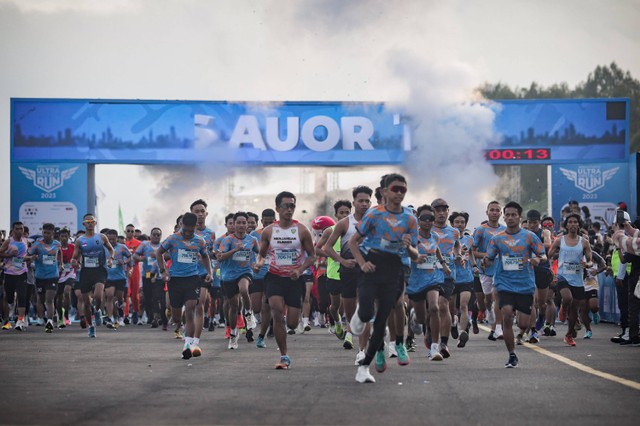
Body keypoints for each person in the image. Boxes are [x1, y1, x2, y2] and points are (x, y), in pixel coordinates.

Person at [348, 174, 418, 383]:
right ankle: (359, 317)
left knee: (381, 322)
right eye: (395, 189)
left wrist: (408, 247)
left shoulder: (410, 219)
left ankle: (364, 368)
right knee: (368, 310)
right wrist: (362, 263)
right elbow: (353, 242)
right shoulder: (374, 215)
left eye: (403, 190)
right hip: (371, 265)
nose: (399, 193)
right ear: (384, 191)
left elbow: (415, 255)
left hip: (393, 269)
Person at [255, 191, 316, 369]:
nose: (289, 209)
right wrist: (258, 264)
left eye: (292, 206)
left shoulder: (301, 230)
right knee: (276, 312)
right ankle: (284, 356)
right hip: (274, 277)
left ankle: (289, 326)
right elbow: (261, 255)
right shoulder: (269, 231)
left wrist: (300, 270)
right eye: (285, 206)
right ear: (277, 208)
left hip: (294, 280)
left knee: (291, 323)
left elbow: (312, 257)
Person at [482, 201, 546, 368]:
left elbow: (543, 255)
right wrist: (485, 263)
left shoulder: (529, 236)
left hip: (525, 284)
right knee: (507, 315)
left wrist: (537, 259)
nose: (510, 218)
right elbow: (489, 259)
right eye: (508, 215)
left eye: (513, 215)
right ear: (504, 216)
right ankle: (511, 354)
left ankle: (522, 332)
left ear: (519, 217)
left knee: (523, 323)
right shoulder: (497, 239)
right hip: (504, 283)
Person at [324, 186, 373, 360]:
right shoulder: (345, 223)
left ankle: (362, 351)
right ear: (354, 203)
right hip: (348, 272)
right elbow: (327, 247)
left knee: (365, 311)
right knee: (353, 315)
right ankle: (350, 332)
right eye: (361, 201)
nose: (364, 204)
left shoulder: (376, 221)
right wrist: (342, 261)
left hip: (368, 272)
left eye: (367, 200)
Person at [156, 212, 213, 359]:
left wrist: (209, 272)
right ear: (181, 225)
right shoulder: (173, 238)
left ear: (195, 226)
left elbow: (206, 256)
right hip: (175, 279)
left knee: (190, 310)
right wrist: (163, 271)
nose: (188, 233)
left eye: (191, 230)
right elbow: (159, 252)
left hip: (192, 279)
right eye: (185, 229)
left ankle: (188, 344)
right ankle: (179, 325)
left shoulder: (199, 241)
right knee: (176, 317)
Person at [407, 205, 451, 361]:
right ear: (418, 220)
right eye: (424, 218)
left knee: (434, 307)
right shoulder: (412, 237)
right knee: (421, 318)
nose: (428, 222)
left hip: (433, 277)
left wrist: (443, 264)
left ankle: (434, 348)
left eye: (431, 219)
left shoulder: (435, 236)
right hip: (415, 280)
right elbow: (405, 251)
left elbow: (437, 250)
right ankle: (414, 317)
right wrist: (414, 257)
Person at [548, 213, 593, 346]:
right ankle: (563, 307)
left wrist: (587, 264)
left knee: (574, 310)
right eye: (570, 222)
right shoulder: (559, 240)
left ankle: (568, 335)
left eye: (575, 222)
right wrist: (560, 253)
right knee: (567, 298)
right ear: (566, 225)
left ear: (579, 225)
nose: (573, 224)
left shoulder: (584, 242)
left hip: (577, 279)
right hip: (563, 276)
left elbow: (590, 260)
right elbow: (550, 254)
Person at [217, 212, 260, 350]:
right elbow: (221, 257)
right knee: (234, 306)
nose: (241, 225)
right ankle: (233, 334)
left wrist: (257, 264)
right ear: (234, 224)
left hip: (245, 272)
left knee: (243, 289)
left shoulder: (252, 240)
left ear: (247, 224)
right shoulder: (227, 240)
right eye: (239, 223)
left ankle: (249, 315)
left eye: (244, 223)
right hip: (228, 276)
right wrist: (235, 250)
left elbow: (260, 254)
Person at [72, 214, 115, 338]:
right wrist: (75, 261)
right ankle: (91, 327)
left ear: (95, 223)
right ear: (84, 224)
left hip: (99, 270)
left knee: (98, 296)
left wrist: (111, 259)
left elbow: (111, 250)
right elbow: (75, 256)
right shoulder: (80, 240)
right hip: (86, 271)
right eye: (87, 221)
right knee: (86, 303)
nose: (90, 223)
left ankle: (97, 310)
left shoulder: (101, 237)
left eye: (92, 221)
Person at [430, 198, 461, 358]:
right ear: (432, 212)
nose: (441, 213)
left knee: (443, 306)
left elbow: (456, 244)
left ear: (448, 212)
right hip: (428, 274)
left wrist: (458, 255)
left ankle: (443, 343)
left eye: (444, 210)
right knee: (431, 308)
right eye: (438, 210)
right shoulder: (426, 230)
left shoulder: (454, 231)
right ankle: (430, 331)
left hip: (448, 274)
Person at [473, 201, 506, 341]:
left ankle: (498, 328)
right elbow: (473, 252)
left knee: (498, 297)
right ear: (487, 212)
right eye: (492, 210)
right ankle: (488, 313)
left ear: (501, 213)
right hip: (485, 270)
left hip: (501, 270)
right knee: (487, 301)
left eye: (497, 210)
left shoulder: (505, 230)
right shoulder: (480, 230)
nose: (494, 212)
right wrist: (487, 256)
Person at [190, 200, 217, 347]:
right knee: (190, 306)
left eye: (202, 211)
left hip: (203, 273)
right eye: (196, 211)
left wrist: (215, 255)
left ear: (206, 213)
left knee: (200, 303)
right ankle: (186, 328)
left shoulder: (211, 234)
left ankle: (195, 341)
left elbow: (211, 254)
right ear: (191, 214)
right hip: (187, 274)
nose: (200, 214)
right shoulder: (185, 232)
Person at [28, 223, 63, 333]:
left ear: (53, 233)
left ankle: (49, 321)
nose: (46, 235)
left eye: (48, 233)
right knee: (40, 300)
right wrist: (31, 258)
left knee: (49, 300)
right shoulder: (37, 244)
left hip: (53, 276)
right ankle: (40, 317)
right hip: (40, 276)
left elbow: (60, 252)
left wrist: (60, 263)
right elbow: (28, 255)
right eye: (44, 233)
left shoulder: (57, 244)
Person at [449, 211, 476, 348]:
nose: (460, 225)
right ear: (452, 224)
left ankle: (462, 333)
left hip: (466, 278)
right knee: (452, 309)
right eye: (457, 222)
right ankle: (453, 324)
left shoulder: (469, 239)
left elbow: (471, 253)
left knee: (464, 305)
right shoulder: (446, 239)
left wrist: (475, 265)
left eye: (462, 222)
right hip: (451, 278)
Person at [250, 209, 276, 348]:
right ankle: (265, 321)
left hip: (272, 274)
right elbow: (248, 252)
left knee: (269, 304)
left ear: (275, 220)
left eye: (270, 222)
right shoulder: (254, 235)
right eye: (265, 222)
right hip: (257, 274)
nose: (267, 224)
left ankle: (270, 326)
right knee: (256, 306)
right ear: (261, 221)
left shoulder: (279, 234)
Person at [134, 227, 166, 329]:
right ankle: (150, 316)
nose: (156, 236)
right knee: (148, 297)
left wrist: (160, 256)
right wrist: (141, 258)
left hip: (160, 277)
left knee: (158, 297)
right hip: (147, 275)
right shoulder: (144, 244)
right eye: (154, 234)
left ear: (161, 236)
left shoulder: (163, 245)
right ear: (150, 235)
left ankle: (157, 317)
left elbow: (170, 255)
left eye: (158, 235)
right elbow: (135, 255)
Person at [0, 222, 30, 330]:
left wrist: (29, 258)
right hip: (9, 273)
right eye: (17, 229)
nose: (19, 231)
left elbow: (25, 255)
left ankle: (20, 321)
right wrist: (9, 255)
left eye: (21, 229)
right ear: (13, 230)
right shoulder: (9, 241)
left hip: (22, 272)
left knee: (22, 296)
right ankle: (11, 306)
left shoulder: (26, 241)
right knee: (9, 297)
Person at [104, 229, 132, 329]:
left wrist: (124, 262)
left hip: (120, 277)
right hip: (108, 277)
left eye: (113, 239)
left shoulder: (122, 247)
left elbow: (130, 257)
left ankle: (120, 316)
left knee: (120, 299)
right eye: (109, 239)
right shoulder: (104, 248)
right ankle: (110, 318)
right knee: (110, 296)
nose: (111, 241)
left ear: (117, 238)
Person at [124, 224, 142, 325]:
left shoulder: (138, 243)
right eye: (128, 231)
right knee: (126, 293)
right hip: (124, 270)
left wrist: (134, 257)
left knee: (135, 294)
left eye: (132, 231)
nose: (130, 232)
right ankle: (125, 314)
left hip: (135, 270)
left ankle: (135, 312)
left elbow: (141, 256)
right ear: (125, 231)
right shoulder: (122, 243)